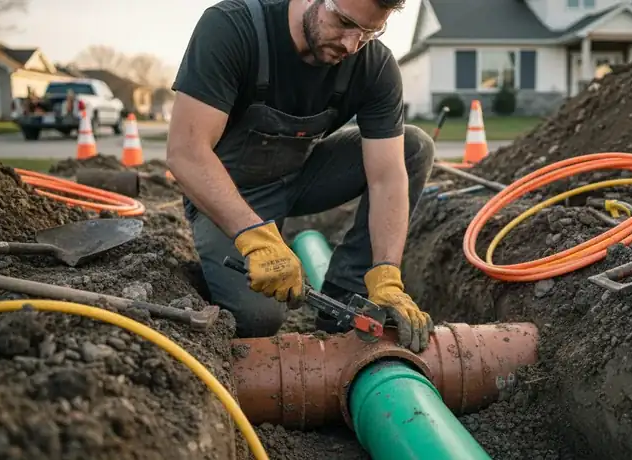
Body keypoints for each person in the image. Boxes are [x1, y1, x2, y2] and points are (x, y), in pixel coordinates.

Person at [166, 0, 436, 352]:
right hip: (228, 192)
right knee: (259, 320)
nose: (351, 45)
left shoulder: (372, 65)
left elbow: (388, 177)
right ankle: (215, 270)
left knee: (413, 146)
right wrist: (257, 238)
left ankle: (345, 304)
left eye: (369, 33)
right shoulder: (233, 28)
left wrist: (386, 274)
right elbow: (185, 153)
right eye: (343, 22)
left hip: (299, 178)